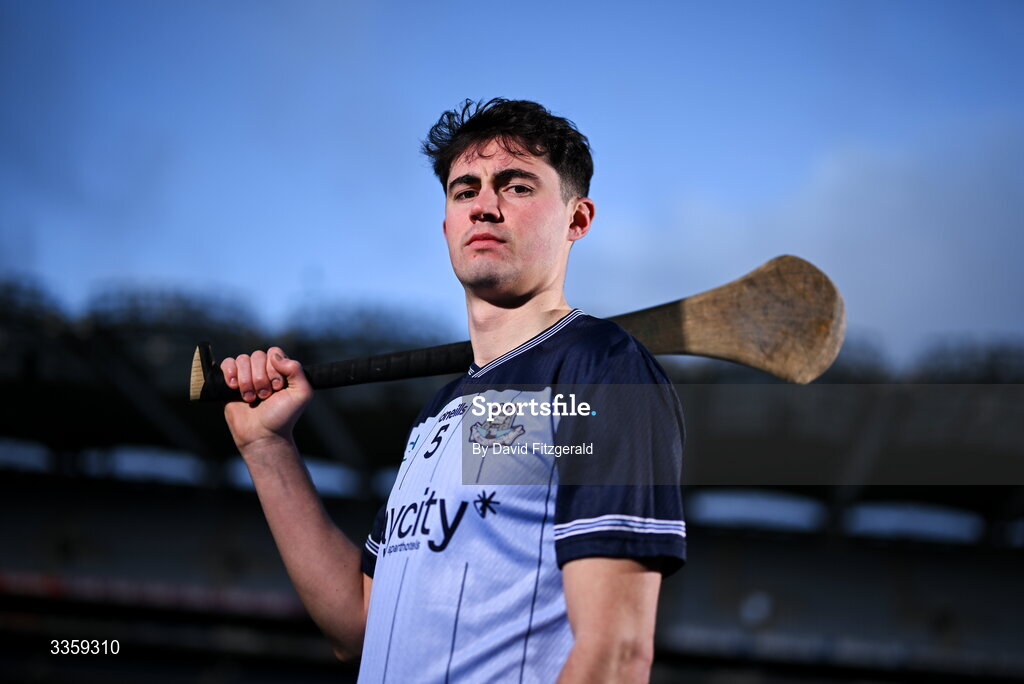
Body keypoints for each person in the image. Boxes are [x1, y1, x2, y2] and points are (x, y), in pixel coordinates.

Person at [219, 98, 686, 683]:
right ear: (446, 225)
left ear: (577, 219)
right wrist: (269, 450)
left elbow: (615, 655)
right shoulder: (443, 411)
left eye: (516, 187)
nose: (484, 207)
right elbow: (359, 627)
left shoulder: (602, 371)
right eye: (465, 191)